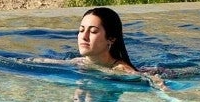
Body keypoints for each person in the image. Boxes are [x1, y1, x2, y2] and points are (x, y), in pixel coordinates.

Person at [29, 6, 168, 91]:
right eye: (81, 30)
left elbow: (150, 79)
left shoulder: (120, 69)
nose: (84, 36)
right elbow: (48, 62)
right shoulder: (82, 61)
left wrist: (167, 94)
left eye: (93, 31)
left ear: (111, 39)